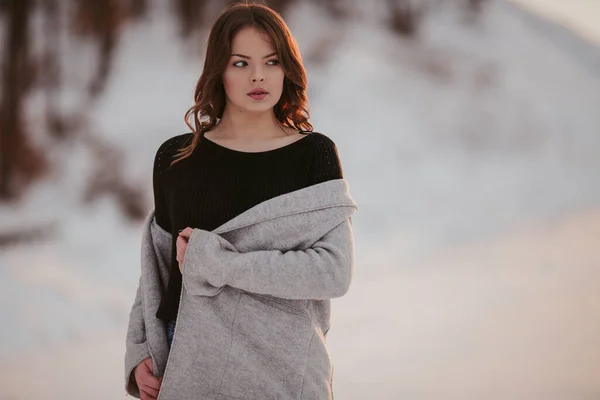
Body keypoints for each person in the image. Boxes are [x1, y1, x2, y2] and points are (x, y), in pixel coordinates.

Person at [128, 2, 353, 399]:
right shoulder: (176, 159)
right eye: (240, 63)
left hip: (286, 370)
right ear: (219, 69)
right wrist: (140, 350)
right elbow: (156, 271)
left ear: (287, 69)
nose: (257, 76)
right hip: (192, 369)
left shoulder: (313, 155)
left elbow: (332, 272)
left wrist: (222, 265)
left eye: (271, 61)